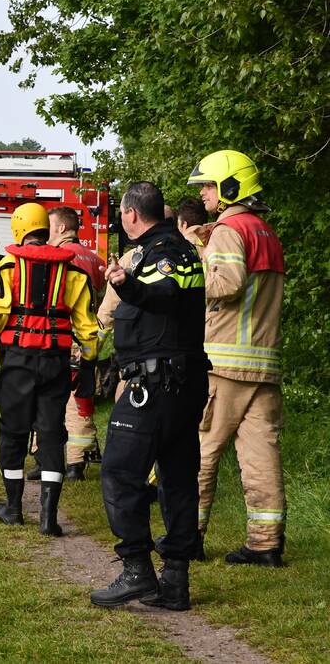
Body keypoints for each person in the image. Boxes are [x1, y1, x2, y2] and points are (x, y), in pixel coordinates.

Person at [90, 181, 207, 611]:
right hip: (182, 384)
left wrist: (128, 286)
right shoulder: (177, 248)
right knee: (177, 479)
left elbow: (163, 297)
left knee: (120, 471)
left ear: (130, 215)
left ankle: (138, 569)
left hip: (156, 385)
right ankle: (175, 581)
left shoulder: (165, 253)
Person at [0, 202, 98, 536]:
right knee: (51, 434)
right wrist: (88, 360)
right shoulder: (74, 274)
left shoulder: (9, 269)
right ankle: (48, 518)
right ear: (46, 229)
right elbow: (87, 329)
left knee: (13, 432)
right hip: (55, 364)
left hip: (18, 362)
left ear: (18, 229)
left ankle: (13, 509)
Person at [187, 150, 286, 567]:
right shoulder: (265, 232)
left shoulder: (230, 229)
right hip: (263, 365)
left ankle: (186, 538)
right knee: (261, 454)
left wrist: (189, 279)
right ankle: (265, 544)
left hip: (225, 364)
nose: (205, 194)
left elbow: (225, 284)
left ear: (230, 187)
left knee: (201, 451)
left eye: (209, 185)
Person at [49, 206, 106, 481]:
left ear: (61, 228)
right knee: (82, 398)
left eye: (50, 226)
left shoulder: (58, 258)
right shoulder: (95, 260)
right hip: (87, 338)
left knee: (53, 397)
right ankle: (78, 460)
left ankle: (55, 459)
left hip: (61, 336)